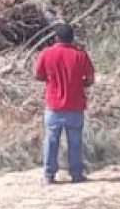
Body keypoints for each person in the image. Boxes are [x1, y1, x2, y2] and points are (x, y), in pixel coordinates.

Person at [34, 23, 95, 184]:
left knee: (51, 140)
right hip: (75, 105)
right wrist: (79, 84)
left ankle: (48, 175)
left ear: (56, 38)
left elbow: (37, 75)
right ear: (72, 38)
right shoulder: (80, 55)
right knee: (75, 141)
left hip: (53, 105)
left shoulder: (47, 53)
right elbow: (90, 79)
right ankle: (76, 174)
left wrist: (51, 80)